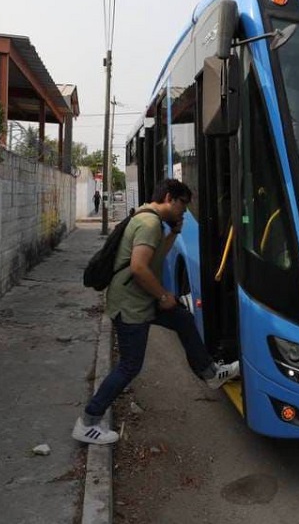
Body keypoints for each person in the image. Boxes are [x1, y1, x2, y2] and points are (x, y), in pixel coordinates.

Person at [72, 178, 240, 445]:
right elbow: (139, 268)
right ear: (170, 198)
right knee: (129, 366)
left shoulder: (147, 216)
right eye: (183, 204)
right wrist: (162, 295)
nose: (185, 210)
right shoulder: (149, 223)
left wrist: (174, 233)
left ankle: (210, 374)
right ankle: (89, 421)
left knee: (183, 320)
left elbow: (154, 257)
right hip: (132, 305)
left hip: (138, 300)